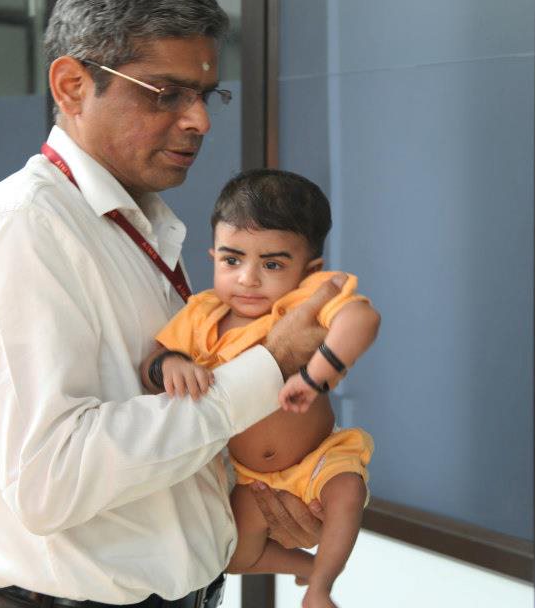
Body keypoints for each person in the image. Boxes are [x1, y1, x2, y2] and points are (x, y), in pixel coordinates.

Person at [0, 0, 336, 606]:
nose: (199, 121)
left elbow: (145, 448)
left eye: (206, 95)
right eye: (166, 93)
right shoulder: (20, 232)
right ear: (73, 85)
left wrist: (232, 508)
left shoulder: (131, 228)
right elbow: (49, 481)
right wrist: (270, 363)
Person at [141, 168, 380, 608]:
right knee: (232, 553)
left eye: (272, 264)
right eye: (232, 260)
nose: (248, 278)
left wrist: (314, 374)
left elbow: (361, 320)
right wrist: (171, 364)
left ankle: (322, 586)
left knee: (348, 491)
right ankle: (307, 568)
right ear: (212, 255)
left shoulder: (302, 304)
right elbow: (153, 359)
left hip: (317, 460)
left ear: (310, 271)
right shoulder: (203, 315)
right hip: (251, 479)